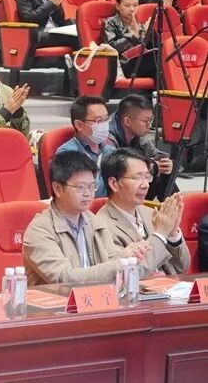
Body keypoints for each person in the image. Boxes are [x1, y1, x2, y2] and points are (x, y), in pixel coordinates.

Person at [22, 151, 156, 286]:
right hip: (57, 298)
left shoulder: (95, 222)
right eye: (80, 187)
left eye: (92, 187)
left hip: (95, 297)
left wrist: (126, 256)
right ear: (57, 189)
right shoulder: (39, 230)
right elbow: (63, 278)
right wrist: (120, 263)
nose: (88, 193)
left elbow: (112, 260)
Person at [97, 149, 188, 275]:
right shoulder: (101, 226)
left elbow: (182, 267)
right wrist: (160, 234)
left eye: (147, 177)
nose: (145, 185)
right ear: (114, 183)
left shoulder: (151, 213)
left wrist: (173, 234)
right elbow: (130, 274)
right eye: (137, 177)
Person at [109, 95, 176, 201]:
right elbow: (115, 169)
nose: (150, 125)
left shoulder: (138, 135)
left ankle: (175, 207)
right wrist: (151, 167)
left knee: (165, 174)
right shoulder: (108, 138)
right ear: (127, 121)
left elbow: (155, 154)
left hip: (134, 183)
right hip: (115, 187)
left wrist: (167, 164)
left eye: (151, 120)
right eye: (146, 121)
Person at [56, 95, 116, 197]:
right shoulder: (67, 153)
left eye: (106, 119)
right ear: (79, 125)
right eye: (99, 121)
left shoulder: (111, 151)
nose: (105, 125)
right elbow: (86, 191)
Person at [103, 0, 156, 79]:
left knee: (160, 58)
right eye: (127, 5)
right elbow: (111, 48)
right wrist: (132, 35)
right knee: (157, 62)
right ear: (118, 6)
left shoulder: (139, 24)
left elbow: (150, 47)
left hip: (141, 62)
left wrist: (149, 33)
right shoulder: (109, 23)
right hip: (122, 64)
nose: (132, 9)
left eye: (135, 5)